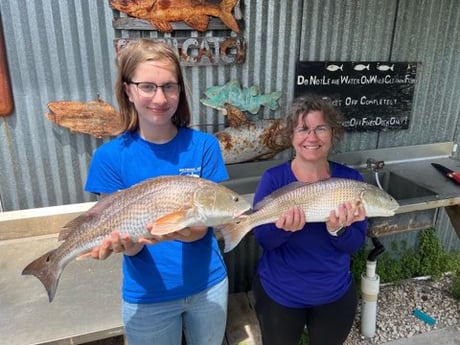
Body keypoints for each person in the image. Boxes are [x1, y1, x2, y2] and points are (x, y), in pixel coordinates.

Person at [83, 39, 229, 345]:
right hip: (148, 297)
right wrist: (127, 244)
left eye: (169, 87)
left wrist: (183, 229)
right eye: (147, 86)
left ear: (180, 91)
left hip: (208, 286)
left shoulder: (204, 147)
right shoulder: (110, 157)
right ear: (128, 90)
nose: (160, 98)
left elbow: (204, 226)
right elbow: (128, 239)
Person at [251, 94, 368, 345]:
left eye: (321, 128)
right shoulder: (274, 179)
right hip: (279, 294)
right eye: (303, 129)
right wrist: (284, 230)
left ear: (333, 133)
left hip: (333, 293)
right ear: (292, 136)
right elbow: (264, 240)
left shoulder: (351, 181)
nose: (311, 137)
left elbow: (355, 244)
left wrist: (339, 230)